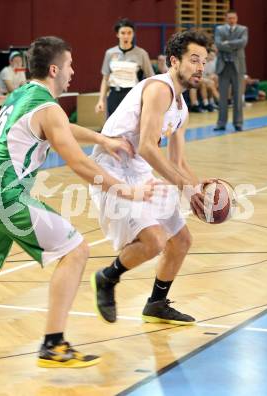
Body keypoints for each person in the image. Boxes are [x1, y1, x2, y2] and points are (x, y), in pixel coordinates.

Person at [0, 36, 155, 368]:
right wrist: (127, 191)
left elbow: (61, 127)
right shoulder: (47, 107)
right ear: (55, 69)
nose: (73, 72)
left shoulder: (21, 95)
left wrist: (100, 137)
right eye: (70, 65)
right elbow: (79, 163)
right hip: (5, 197)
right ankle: (53, 344)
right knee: (76, 250)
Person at [90, 29, 211, 326]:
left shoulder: (182, 109)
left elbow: (177, 160)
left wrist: (198, 189)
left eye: (204, 61)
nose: (200, 67)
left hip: (138, 169)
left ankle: (156, 303)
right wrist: (186, 189)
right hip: (112, 167)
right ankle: (107, 278)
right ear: (174, 61)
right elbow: (145, 145)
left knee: (181, 239)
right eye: (194, 59)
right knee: (154, 240)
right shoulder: (159, 88)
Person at [95, 18, 154, 117]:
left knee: (131, 129)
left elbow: (151, 78)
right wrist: (101, 100)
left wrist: (149, 99)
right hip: (114, 95)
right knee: (112, 129)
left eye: (129, 33)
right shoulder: (110, 53)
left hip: (133, 95)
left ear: (133, 34)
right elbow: (105, 79)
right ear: (117, 35)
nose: (126, 36)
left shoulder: (141, 53)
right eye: (123, 33)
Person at [214, 9, 248, 132]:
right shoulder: (219, 29)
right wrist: (234, 46)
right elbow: (218, 44)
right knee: (222, 97)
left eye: (234, 18)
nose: (232, 20)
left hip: (237, 67)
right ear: (225, 18)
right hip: (223, 66)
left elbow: (243, 43)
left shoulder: (243, 29)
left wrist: (227, 43)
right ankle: (221, 123)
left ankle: (238, 123)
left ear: (237, 18)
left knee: (238, 96)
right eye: (229, 18)